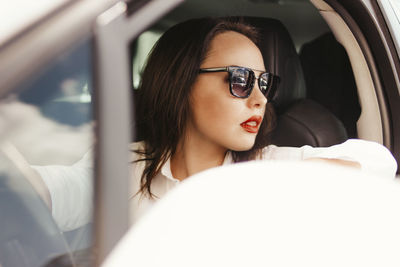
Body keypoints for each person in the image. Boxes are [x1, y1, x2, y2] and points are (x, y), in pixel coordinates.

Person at [32, 17, 397, 231]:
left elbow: (379, 163)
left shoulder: (267, 166)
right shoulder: (124, 167)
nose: (260, 99)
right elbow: (50, 191)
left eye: (264, 83)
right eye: (240, 79)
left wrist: (270, 181)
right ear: (182, 82)